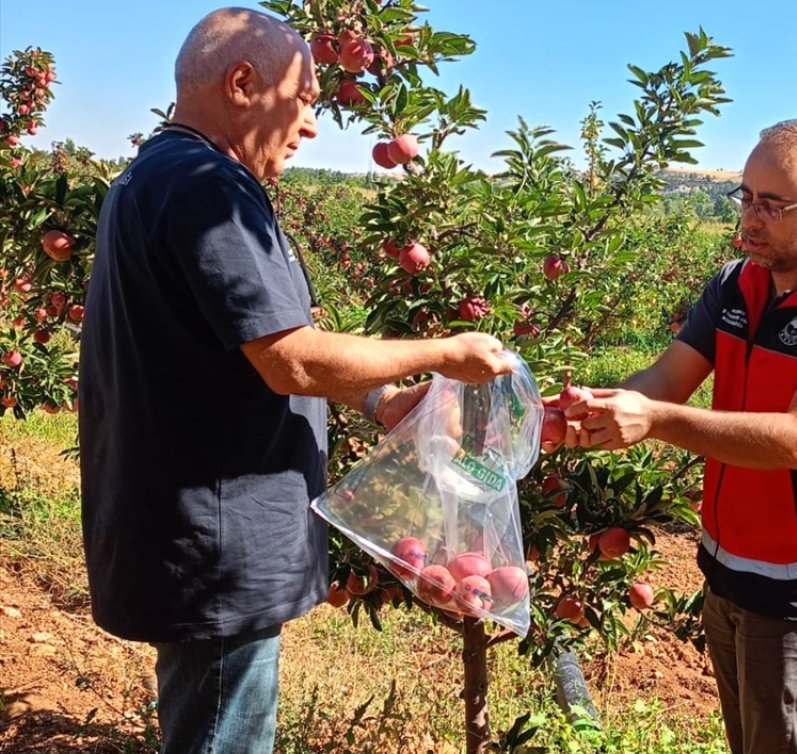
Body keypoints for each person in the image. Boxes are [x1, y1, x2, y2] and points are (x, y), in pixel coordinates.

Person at [78, 9, 511, 754]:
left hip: (186, 528)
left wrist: (382, 399)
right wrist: (442, 351)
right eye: (305, 98)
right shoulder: (208, 188)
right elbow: (292, 358)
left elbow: (239, 350)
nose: (311, 124)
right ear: (242, 83)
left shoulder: (154, 177)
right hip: (217, 541)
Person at [562, 119, 797, 754]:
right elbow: (666, 379)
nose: (751, 219)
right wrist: (587, 408)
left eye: (773, 205)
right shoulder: (735, 284)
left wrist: (657, 422)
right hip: (725, 570)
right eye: (747, 198)